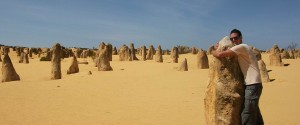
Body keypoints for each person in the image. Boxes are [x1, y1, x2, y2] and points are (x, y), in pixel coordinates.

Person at [212, 29, 264, 125]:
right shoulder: (240, 50)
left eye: (236, 38)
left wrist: (214, 51)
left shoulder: (242, 47)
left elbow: (219, 54)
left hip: (252, 86)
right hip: (253, 85)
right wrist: (221, 46)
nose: (233, 41)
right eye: (231, 39)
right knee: (255, 113)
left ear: (241, 38)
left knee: (247, 114)